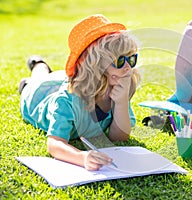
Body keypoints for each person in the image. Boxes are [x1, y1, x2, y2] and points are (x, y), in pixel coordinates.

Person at [19, 14, 140, 171]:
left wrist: (121, 103)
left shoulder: (116, 87)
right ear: (96, 66)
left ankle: (41, 68)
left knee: (52, 76)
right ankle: (37, 65)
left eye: (131, 59)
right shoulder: (66, 101)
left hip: (68, 81)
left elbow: (119, 138)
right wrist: (81, 157)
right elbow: (54, 143)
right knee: (39, 78)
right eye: (119, 61)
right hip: (38, 95)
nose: (128, 67)